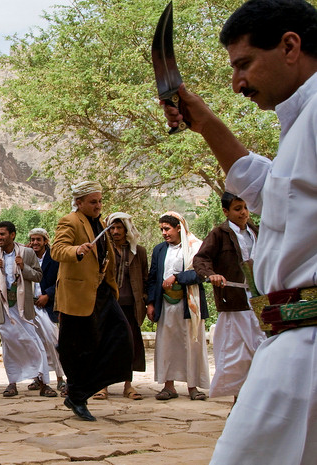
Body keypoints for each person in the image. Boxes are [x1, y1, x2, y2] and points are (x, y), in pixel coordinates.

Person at [162, 2, 317, 461]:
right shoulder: (300, 125)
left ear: (290, 46)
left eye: (244, 64)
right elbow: (271, 190)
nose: (238, 83)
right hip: (292, 343)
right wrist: (204, 122)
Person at [50, 181, 133, 421]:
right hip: (77, 295)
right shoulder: (70, 221)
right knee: (78, 348)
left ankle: (82, 390)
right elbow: (57, 250)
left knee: (121, 337)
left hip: (102, 292)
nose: (98, 206)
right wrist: (76, 251)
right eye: (93, 202)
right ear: (79, 202)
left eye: (100, 201)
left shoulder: (102, 224)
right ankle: (77, 396)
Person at [193, 192, 265, 405]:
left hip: (260, 301)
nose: (243, 213)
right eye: (237, 208)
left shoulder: (257, 232)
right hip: (235, 302)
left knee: (262, 351)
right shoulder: (219, 234)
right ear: (226, 211)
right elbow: (201, 259)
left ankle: (258, 403)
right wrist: (211, 275)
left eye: (244, 207)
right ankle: (239, 402)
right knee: (238, 356)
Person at [146, 213, 210, 401]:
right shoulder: (159, 250)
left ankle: (193, 387)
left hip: (189, 305)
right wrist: (150, 303)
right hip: (166, 305)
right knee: (167, 345)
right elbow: (153, 278)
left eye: (167, 229)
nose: (164, 233)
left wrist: (176, 277)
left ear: (179, 228)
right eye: (162, 230)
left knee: (191, 344)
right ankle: (168, 387)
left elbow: (200, 274)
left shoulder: (194, 248)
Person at [0, 222, 51, 398]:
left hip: (24, 308)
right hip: (4, 309)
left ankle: (44, 382)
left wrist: (23, 267)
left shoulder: (27, 254)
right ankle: (12, 383)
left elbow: (38, 276)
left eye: (3, 234)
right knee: (10, 345)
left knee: (34, 343)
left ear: (12, 235)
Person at [93, 213, 148, 401]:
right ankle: (103, 386)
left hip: (130, 306)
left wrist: (146, 301)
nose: (115, 232)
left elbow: (145, 278)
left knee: (129, 345)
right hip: (107, 305)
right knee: (105, 344)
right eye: (112, 228)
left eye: (119, 228)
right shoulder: (103, 251)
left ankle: (128, 385)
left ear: (126, 230)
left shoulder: (137, 252)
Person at [26, 228, 65, 394]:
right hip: (29, 307)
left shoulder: (55, 258)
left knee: (52, 340)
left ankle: (60, 378)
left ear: (45, 241)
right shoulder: (26, 259)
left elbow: (60, 281)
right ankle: (39, 378)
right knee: (34, 343)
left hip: (47, 307)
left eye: (38, 240)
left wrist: (47, 295)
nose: (35, 243)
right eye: (33, 239)